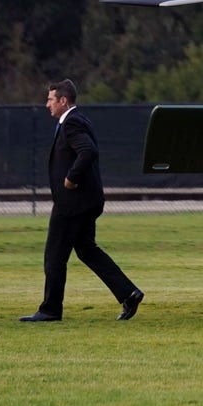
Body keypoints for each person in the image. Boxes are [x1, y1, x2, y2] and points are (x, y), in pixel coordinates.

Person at [20, 79, 144, 322]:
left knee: (55, 255)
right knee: (87, 250)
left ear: (63, 101)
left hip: (72, 204)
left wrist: (71, 178)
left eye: (50, 100)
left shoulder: (72, 123)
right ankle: (128, 292)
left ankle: (50, 310)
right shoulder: (78, 120)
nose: (47, 105)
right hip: (87, 201)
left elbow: (87, 151)